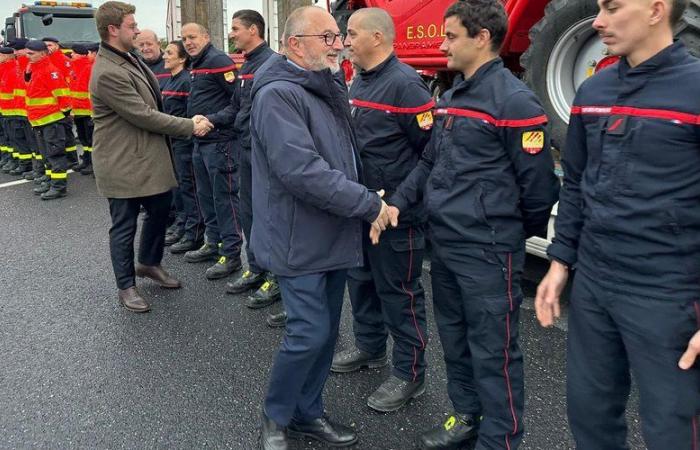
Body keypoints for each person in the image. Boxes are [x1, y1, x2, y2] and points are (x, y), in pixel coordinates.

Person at [387, 1, 559, 448]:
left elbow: (538, 189)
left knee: (494, 352)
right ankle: (466, 416)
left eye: (450, 36)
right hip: (444, 245)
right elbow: (429, 162)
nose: (441, 44)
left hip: (488, 251)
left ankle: (501, 437)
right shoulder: (452, 96)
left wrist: (505, 235)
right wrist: (397, 205)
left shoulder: (514, 100)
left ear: (481, 38)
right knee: (456, 340)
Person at [534, 0, 700, 447]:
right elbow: (576, 185)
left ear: (655, 10)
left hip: (670, 291)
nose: (600, 21)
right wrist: (560, 262)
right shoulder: (594, 92)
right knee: (590, 413)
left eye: (612, 7)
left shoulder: (695, 90)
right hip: (595, 282)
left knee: (673, 428)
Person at [251, 6, 394, 450]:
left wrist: (374, 195)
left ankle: (307, 413)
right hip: (298, 236)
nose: (339, 45)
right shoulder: (278, 94)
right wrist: (368, 205)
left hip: (331, 231)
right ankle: (276, 417)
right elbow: (302, 171)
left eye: (338, 37)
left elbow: (345, 154)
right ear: (295, 45)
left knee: (327, 331)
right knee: (308, 332)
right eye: (329, 38)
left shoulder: (323, 82)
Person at [331, 7, 433, 413]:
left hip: (395, 217)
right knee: (362, 282)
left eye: (352, 33)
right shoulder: (359, 82)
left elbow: (431, 156)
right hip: (363, 208)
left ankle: (410, 374)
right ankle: (370, 347)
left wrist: (397, 204)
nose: (345, 40)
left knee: (400, 294)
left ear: (377, 37)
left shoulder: (407, 86)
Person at [89, 1, 212, 313]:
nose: (138, 30)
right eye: (132, 25)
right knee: (124, 224)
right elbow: (142, 115)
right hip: (121, 161)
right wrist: (189, 125)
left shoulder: (128, 58)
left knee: (160, 208)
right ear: (113, 30)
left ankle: (148, 262)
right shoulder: (107, 71)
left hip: (145, 158)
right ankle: (126, 285)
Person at [203, 10, 280, 305]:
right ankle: (257, 267)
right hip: (245, 149)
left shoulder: (272, 64)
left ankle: (276, 276)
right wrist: (207, 119)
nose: (232, 33)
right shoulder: (247, 65)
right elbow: (236, 108)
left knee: (269, 215)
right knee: (248, 213)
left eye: (236, 29)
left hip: (264, 154)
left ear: (253, 30)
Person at [181, 22, 244, 281]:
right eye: (184, 38)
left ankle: (230, 255)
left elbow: (236, 103)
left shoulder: (219, 61)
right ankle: (213, 242)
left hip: (221, 142)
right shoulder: (196, 63)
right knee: (206, 196)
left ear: (206, 36)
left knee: (224, 199)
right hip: (201, 142)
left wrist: (212, 121)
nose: (188, 42)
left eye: (193, 37)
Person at [161, 40, 205, 254]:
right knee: (178, 189)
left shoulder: (186, 81)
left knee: (189, 189)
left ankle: (193, 234)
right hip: (172, 142)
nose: (164, 56)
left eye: (169, 53)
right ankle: (182, 226)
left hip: (184, 144)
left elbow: (191, 113)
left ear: (182, 58)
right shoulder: (171, 81)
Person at [25, 39, 73, 200]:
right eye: (27, 52)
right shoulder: (35, 69)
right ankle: (50, 180)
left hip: (51, 121)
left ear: (43, 53)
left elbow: (63, 96)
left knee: (55, 154)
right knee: (46, 155)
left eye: (31, 53)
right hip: (40, 121)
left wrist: (65, 115)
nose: (28, 55)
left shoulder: (50, 71)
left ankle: (59, 187)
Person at [42, 36, 79, 168]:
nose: (48, 48)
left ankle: (72, 159)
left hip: (64, 105)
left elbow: (70, 85)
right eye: (45, 45)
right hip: (52, 106)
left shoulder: (65, 61)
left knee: (67, 134)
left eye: (50, 45)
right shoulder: (45, 61)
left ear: (57, 46)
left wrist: (69, 106)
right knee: (57, 138)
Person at [69, 44, 95, 175]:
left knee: (91, 140)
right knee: (84, 140)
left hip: (88, 112)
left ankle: (92, 163)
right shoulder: (74, 69)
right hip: (78, 111)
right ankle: (86, 160)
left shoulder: (88, 68)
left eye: (74, 53)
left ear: (82, 54)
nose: (71, 55)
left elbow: (91, 93)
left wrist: (93, 112)